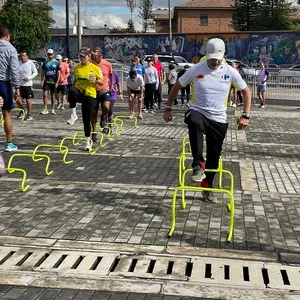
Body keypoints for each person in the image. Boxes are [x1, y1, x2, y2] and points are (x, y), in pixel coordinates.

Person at [164, 38, 251, 202]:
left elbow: (246, 91)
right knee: (194, 121)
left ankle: (207, 187)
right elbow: (177, 86)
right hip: (198, 111)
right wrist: (168, 108)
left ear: (222, 56)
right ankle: (197, 164)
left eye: (216, 59)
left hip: (218, 119)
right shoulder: (196, 69)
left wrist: (245, 115)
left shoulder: (230, 71)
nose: (213, 62)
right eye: (211, 58)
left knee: (214, 156)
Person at [67, 48, 103, 151]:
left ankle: (87, 141)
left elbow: (101, 81)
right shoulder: (76, 68)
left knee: (86, 119)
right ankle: (73, 114)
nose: (82, 58)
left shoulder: (95, 68)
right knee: (71, 90)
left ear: (88, 57)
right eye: (80, 56)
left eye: (84, 56)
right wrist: (71, 97)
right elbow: (75, 82)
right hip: (79, 92)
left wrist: (95, 80)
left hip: (90, 95)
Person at [0, 26, 20, 152]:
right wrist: (17, 87)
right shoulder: (11, 49)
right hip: (3, 82)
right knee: (6, 113)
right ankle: (9, 143)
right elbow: (14, 70)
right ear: (7, 35)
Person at [90, 50, 113, 141]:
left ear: (100, 57)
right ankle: (94, 133)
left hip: (104, 89)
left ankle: (103, 116)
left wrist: (111, 85)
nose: (95, 59)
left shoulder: (107, 64)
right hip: (93, 90)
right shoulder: (91, 65)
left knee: (106, 107)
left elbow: (111, 75)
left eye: (97, 57)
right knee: (93, 112)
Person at [16, 50, 38, 121]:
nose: (22, 57)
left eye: (23, 56)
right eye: (21, 56)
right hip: (19, 84)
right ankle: (22, 111)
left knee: (28, 99)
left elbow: (35, 72)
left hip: (27, 84)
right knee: (18, 99)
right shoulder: (18, 63)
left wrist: (28, 78)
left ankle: (29, 114)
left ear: (27, 56)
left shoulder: (30, 63)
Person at [40, 49, 61, 115]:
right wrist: (42, 80)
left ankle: (52, 108)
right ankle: (45, 108)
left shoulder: (56, 62)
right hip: (47, 80)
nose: (50, 56)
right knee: (45, 95)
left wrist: (57, 82)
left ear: (53, 54)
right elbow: (43, 72)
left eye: (51, 54)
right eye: (49, 54)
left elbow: (58, 73)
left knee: (53, 95)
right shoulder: (45, 62)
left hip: (53, 81)